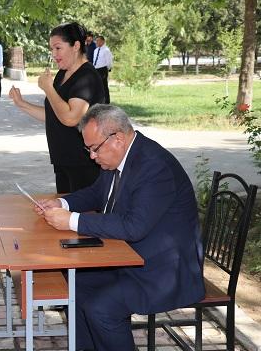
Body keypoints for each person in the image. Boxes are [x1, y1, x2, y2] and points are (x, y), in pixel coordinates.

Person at [36, 104, 205, 351]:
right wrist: (62, 203)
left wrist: (71, 220)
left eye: (94, 148)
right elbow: (96, 193)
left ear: (118, 138)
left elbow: (134, 226)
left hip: (163, 271)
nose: (91, 156)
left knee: (101, 309)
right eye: (88, 149)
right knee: (75, 285)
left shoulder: (154, 166)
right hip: (131, 258)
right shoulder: (120, 157)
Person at [9, 23, 105, 193]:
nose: (54, 54)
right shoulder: (62, 74)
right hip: (63, 160)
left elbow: (70, 118)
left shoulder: (87, 76)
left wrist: (48, 88)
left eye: (58, 48)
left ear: (76, 46)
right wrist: (21, 103)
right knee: (63, 206)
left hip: (84, 163)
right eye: (52, 49)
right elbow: (54, 114)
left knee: (81, 208)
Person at [93, 35, 113, 104]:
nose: (96, 42)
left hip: (103, 69)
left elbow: (109, 61)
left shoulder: (106, 50)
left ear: (103, 41)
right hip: (96, 69)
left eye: (98, 40)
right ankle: (98, 100)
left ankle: (106, 102)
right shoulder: (95, 50)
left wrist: (107, 69)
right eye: (96, 41)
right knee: (96, 85)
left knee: (104, 86)